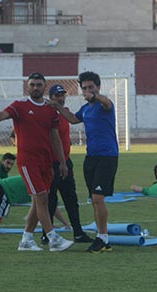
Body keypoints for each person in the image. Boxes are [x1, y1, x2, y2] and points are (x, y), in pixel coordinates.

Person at [0, 72, 74, 252]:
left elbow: (55, 137)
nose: (35, 88)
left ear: (44, 86)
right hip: (28, 161)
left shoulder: (51, 109)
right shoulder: (20, 106)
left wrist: (63, 163)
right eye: (32, 84)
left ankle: (26, 239)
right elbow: (3, 114)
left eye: (38, 85)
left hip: (46, 161)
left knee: (39, 201)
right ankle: (53, 238)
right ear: (28, 86)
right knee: (41, 198)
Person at [51, 71, 118, 253]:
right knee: (94, 200)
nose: (87, 91)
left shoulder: (104, 104)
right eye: (84, 88)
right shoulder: (86, 108)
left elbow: (105, 101)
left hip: (107, 156)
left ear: (98, 87)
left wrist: (95, 96)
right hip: (91, 157)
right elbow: (73, 119)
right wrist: (56, 106)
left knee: (98, 197)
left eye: (91, 87)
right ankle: (101, 237)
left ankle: (103, 237)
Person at [40, 85, 92, 245]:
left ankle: (78, 232)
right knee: (50, 198)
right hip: (52, 162)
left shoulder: (65, 112)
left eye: (62, 95)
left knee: (71, 197)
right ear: (51, 97)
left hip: (65, 160)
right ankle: (46, 234)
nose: (61, 98)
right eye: (57, 96)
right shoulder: (46, 113)